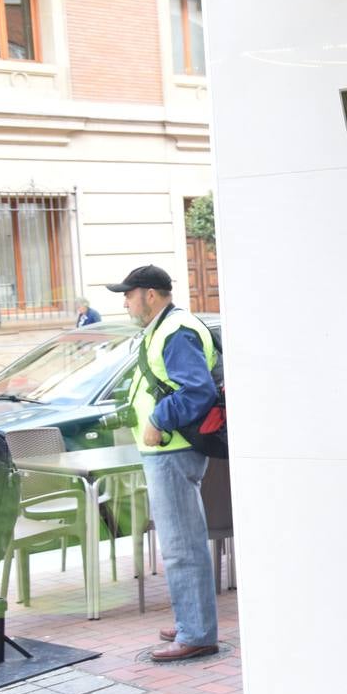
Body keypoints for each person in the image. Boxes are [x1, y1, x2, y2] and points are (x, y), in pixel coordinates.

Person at [106, 265, 220, 662]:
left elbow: (197, 390)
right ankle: (192, 617)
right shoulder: (166, 328)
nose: (125, 301)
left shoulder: (176, 332)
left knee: (180, 545)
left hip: (172, 449)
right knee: (181, 542)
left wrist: (157, 420)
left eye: (128, 293)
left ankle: (197, 632)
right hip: (166, 451)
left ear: (150, 294)